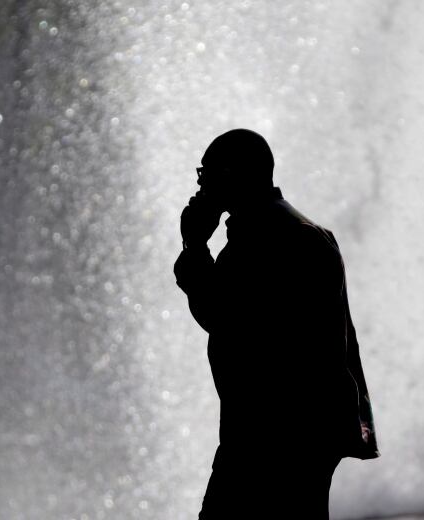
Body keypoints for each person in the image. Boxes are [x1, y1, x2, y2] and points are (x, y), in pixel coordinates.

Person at [173, 129, 379, 519]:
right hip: (293, 433)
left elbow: (223, 318)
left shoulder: (267, 239)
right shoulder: (291, 231)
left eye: (205, 174)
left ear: (231, 174)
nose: (199, 185)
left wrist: (195, 247)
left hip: (271, 437)